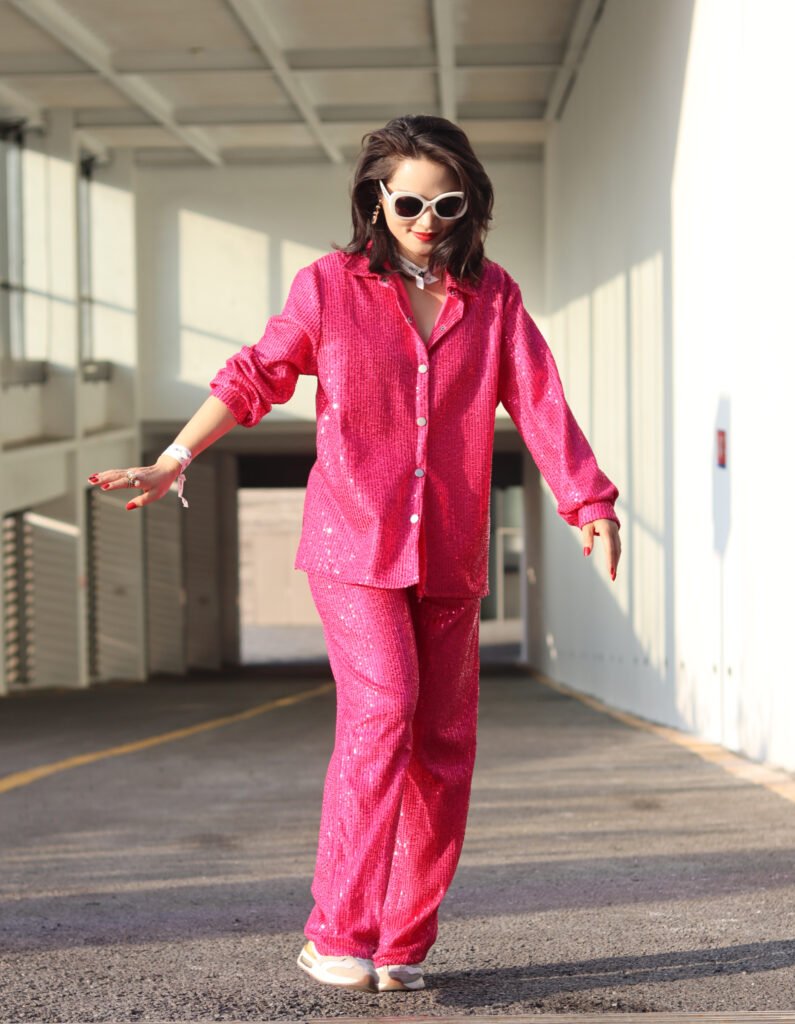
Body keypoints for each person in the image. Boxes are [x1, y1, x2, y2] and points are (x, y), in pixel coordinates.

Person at [89, 115, 621, 994]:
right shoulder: (329, 287)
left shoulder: (494, 298)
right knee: (385, 710)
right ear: (376, 200)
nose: (426, 220)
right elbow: (255, 374)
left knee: (443, 744)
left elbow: (537, 400)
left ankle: (402, 940)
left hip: (449, 552)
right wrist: (174, 457)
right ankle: (336, 930)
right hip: (353, 545)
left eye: (446, 204)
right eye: (408, 203)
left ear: (469, 206)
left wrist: (586, 501)